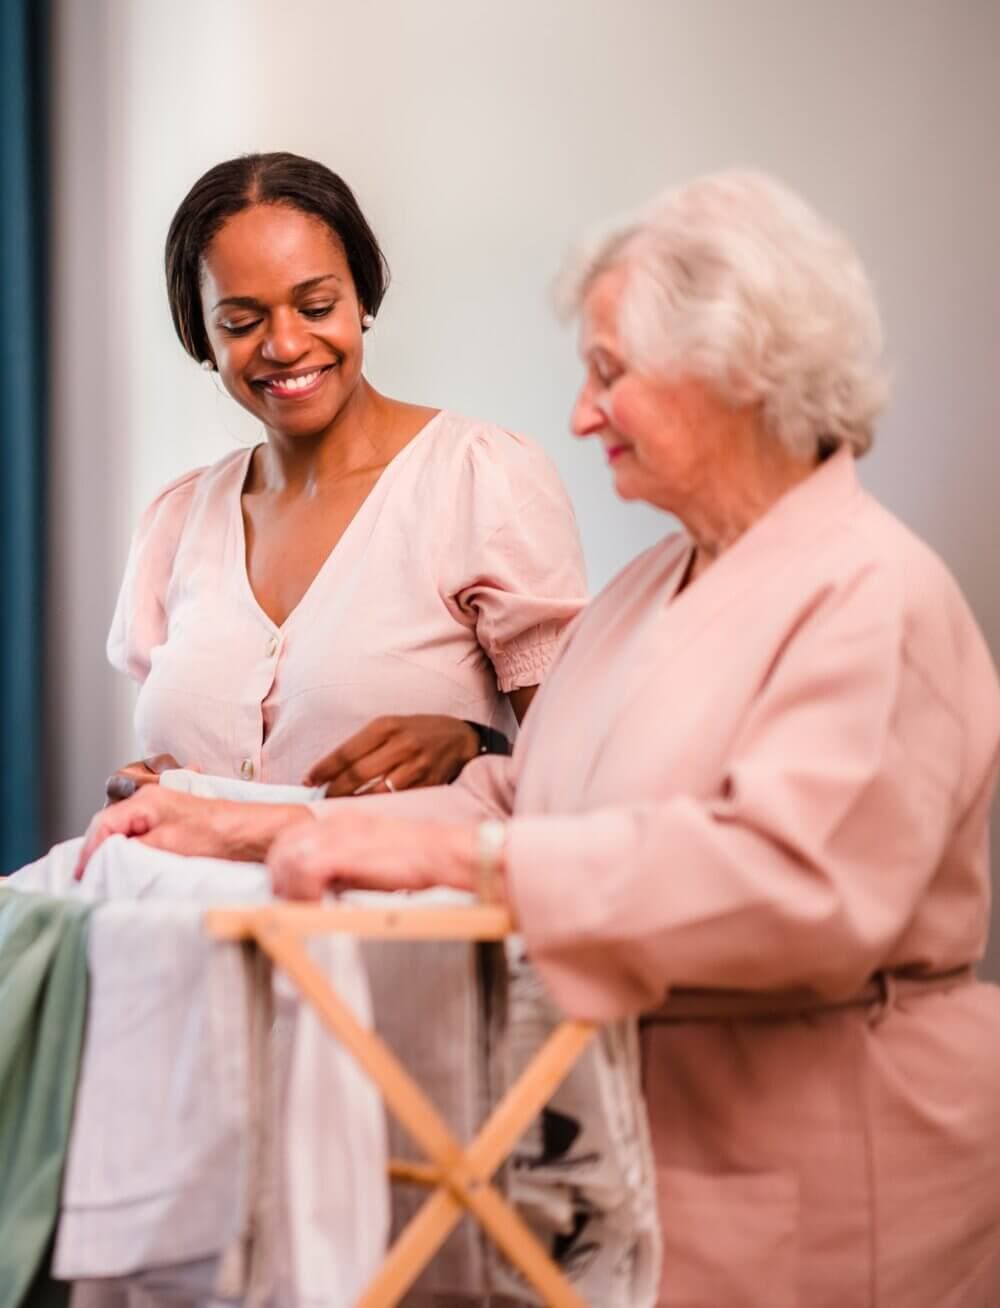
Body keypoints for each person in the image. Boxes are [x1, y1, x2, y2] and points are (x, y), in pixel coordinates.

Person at [86, 170, 1000, 1306]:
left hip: (826, 1175)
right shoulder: (652, 587)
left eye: (609, 374)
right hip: (634, 1163)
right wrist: (230, 825)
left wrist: (459, 861)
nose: (580, 412)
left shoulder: (874, 595)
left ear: (741, 378)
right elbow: (523, 797)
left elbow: (792, 891)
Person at [104, 151, 587, 808]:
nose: (285, 344)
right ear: (202, 337)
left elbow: (584, 769)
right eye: (242, 323)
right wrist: (150, 791)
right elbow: (180, 767)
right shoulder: (178, 519)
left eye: (315, 305)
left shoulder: (480, 480)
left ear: (362, 297)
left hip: (398, 909)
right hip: (188, 905)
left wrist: (478, 745)